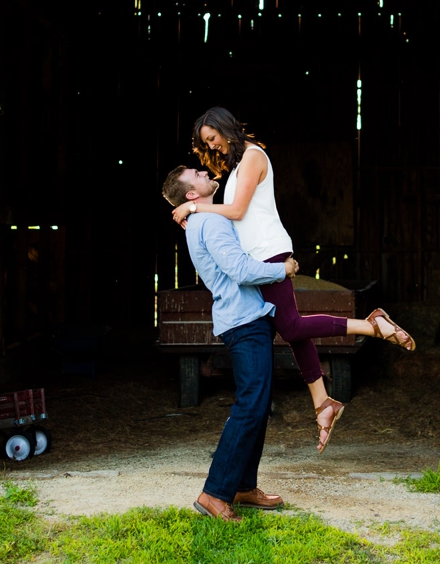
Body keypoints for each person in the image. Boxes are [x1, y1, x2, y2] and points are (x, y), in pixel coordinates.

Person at [170, 106, 415, 453]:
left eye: (213, 139)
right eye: (207, 145)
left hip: (268, 251)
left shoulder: (254, 157)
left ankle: (372, 325)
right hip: (256, 256)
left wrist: (194, 208)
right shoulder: (239, 166)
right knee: (292, 328)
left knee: (293, 327)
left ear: (225, 129)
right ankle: (322, 402)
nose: (213, 148)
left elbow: (238, 212)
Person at [161, 165, 297, 522]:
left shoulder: (203, 218)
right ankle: (214, 493)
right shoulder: (210, 222)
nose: (205, 170)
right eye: (197, 174)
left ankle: (243, 486)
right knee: (250, 405)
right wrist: (281, 270)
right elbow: (240, 269)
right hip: (244, 320)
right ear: (192, 194)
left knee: (258, 403)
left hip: (247, 317)